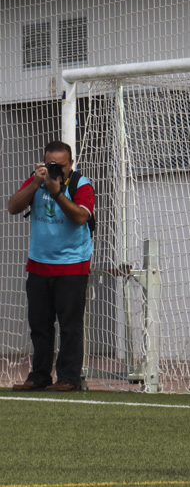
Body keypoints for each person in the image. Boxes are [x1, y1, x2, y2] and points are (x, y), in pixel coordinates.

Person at [8, 140, 95, 392]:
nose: (56, 169)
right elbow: (13, 207)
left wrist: (56, 191)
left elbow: (80, 217)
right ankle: (39, 376)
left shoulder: (81, 184)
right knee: (39, 325)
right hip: (38, 264)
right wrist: (37, 182)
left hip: (72, 265)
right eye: (51, 164)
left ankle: (68, 378)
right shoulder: (36, 182)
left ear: (72, 164)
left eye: (61, 165)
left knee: (70, 326)